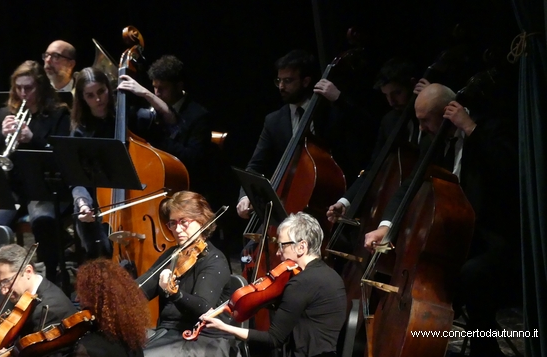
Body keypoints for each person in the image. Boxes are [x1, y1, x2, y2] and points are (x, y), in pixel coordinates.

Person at [363, 83, 520, 357]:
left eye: (425, 120)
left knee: (471, 276)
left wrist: (471, 130)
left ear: (448, 114)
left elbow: (509, 171)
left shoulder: (490, 129)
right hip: (450, 236)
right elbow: (410, 185)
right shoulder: (432, 140)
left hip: (491, 238)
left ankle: (483, 344)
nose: (420, 128)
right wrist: (386, 226)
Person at [236, 49, 377, 220]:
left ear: (306, 81)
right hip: (288, 204)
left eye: (288, 81)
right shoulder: (274, 121)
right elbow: (255, 166)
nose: (281, 86)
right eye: (279, 80)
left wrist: (339, 99)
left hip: (330, 203)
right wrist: (245, 196)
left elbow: (368, 129)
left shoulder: (331, 110)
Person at [202, 212, 347, 357]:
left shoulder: (301, 282)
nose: (278, 253)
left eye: (282, 246)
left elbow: (273, 339)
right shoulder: (333, 277)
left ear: (301, 247)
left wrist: (224, 327)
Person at [0, 60, 71, 283]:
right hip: (15, 188)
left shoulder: (58, 114)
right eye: (19, 88)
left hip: (44, 187)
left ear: (40, 87)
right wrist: (2, 136)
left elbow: (61, 157)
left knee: (42, 221)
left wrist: (33, 139)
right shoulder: (6, 112)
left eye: (29, 88)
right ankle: (2, 277)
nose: (23, 93)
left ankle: (51, 277)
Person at [136, 191, 233, 357]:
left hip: (201, 340)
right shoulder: (173, 254)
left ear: (201, 220)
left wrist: (175, 294)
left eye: (184, 222)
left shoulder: (214, 260)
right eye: (172, 223)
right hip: (168, 334)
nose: (177, 229)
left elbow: (203, 308)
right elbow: (143, 288)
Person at [327, 57, 420, 223]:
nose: (391, 101)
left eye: (397, 93)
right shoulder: (389, 121)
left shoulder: (431, 119)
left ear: (413, 85)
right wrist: (345, 202)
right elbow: (373, 168)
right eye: (386, 95)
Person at [118, 55, 221, 203]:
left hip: (185, 191)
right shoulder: (148, 112)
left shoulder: (199, 116)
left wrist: (160, 138)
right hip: (153, 187)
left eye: (162, 88)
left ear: (179, 86)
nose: (157, 93)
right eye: (154, 87)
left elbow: (193, 160)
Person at [0, 244, 77, 357]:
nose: (3, 290)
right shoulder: (16, 292)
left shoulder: (50, 309)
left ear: (28, 272)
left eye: (6, 281)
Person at [70, 67, 115, 259]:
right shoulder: (80, 132)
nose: (98, 99)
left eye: (101, 92)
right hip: (96, 199)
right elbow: (76, 178)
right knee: (98, 243)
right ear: (82, 99)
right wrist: (82, 203)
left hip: (131, 197)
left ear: (108, 89)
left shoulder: (125, 118)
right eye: (90, 95)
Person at [68, 258, 148, 357]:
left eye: (83, 293)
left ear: (97, 300)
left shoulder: (88, 349)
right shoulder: (132, 338)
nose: (77, 298)